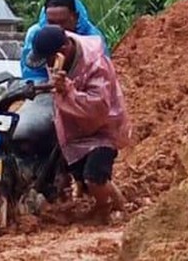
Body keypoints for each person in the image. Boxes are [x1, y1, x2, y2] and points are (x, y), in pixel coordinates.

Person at [27, 24, 130, 223]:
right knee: (84, 176)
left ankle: (104, 209)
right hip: (75, 128)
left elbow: (97, 108)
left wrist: (67, 89)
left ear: (62, 52)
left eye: (49, 60)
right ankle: (120, 203)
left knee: (94, 177)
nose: (48, 65)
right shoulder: (59, 59)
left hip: (102, 128)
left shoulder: (95, 64)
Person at [20, 0, 109, 83]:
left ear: (75, 17)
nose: (58, 28)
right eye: (51, 22)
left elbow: (102, 82)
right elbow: (32, 75)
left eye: (63, 22)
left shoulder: (93, 41)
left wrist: (67, 88)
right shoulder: (36, 35)